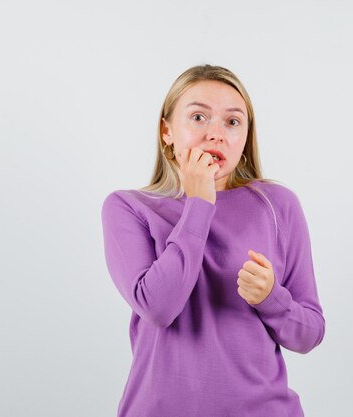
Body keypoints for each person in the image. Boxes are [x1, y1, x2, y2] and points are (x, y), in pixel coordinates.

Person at [101, 64, 326, 417]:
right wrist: (200, 203)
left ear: (246, 139)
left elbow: (310, 333)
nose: (216, 134)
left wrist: (271, 299)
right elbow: (158, 307)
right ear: (166, 131)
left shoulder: (278, 205)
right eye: (198, 117)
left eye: (232, 122)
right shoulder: (128, 208)